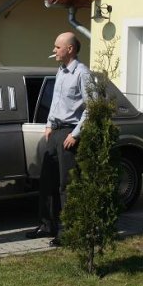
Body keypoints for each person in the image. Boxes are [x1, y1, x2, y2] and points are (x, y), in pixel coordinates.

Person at [25, 32, 90, 247]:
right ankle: (47, 225)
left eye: (57, 47)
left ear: (70, 49)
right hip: (55, 132)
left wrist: (75, 134)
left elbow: (91, 108)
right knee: (47, 181)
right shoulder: (61, 71)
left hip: (69, 133)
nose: (54, 50)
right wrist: (49, 124)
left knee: (66, 184)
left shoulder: (82, 73)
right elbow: (56, 101)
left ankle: (69, 231)